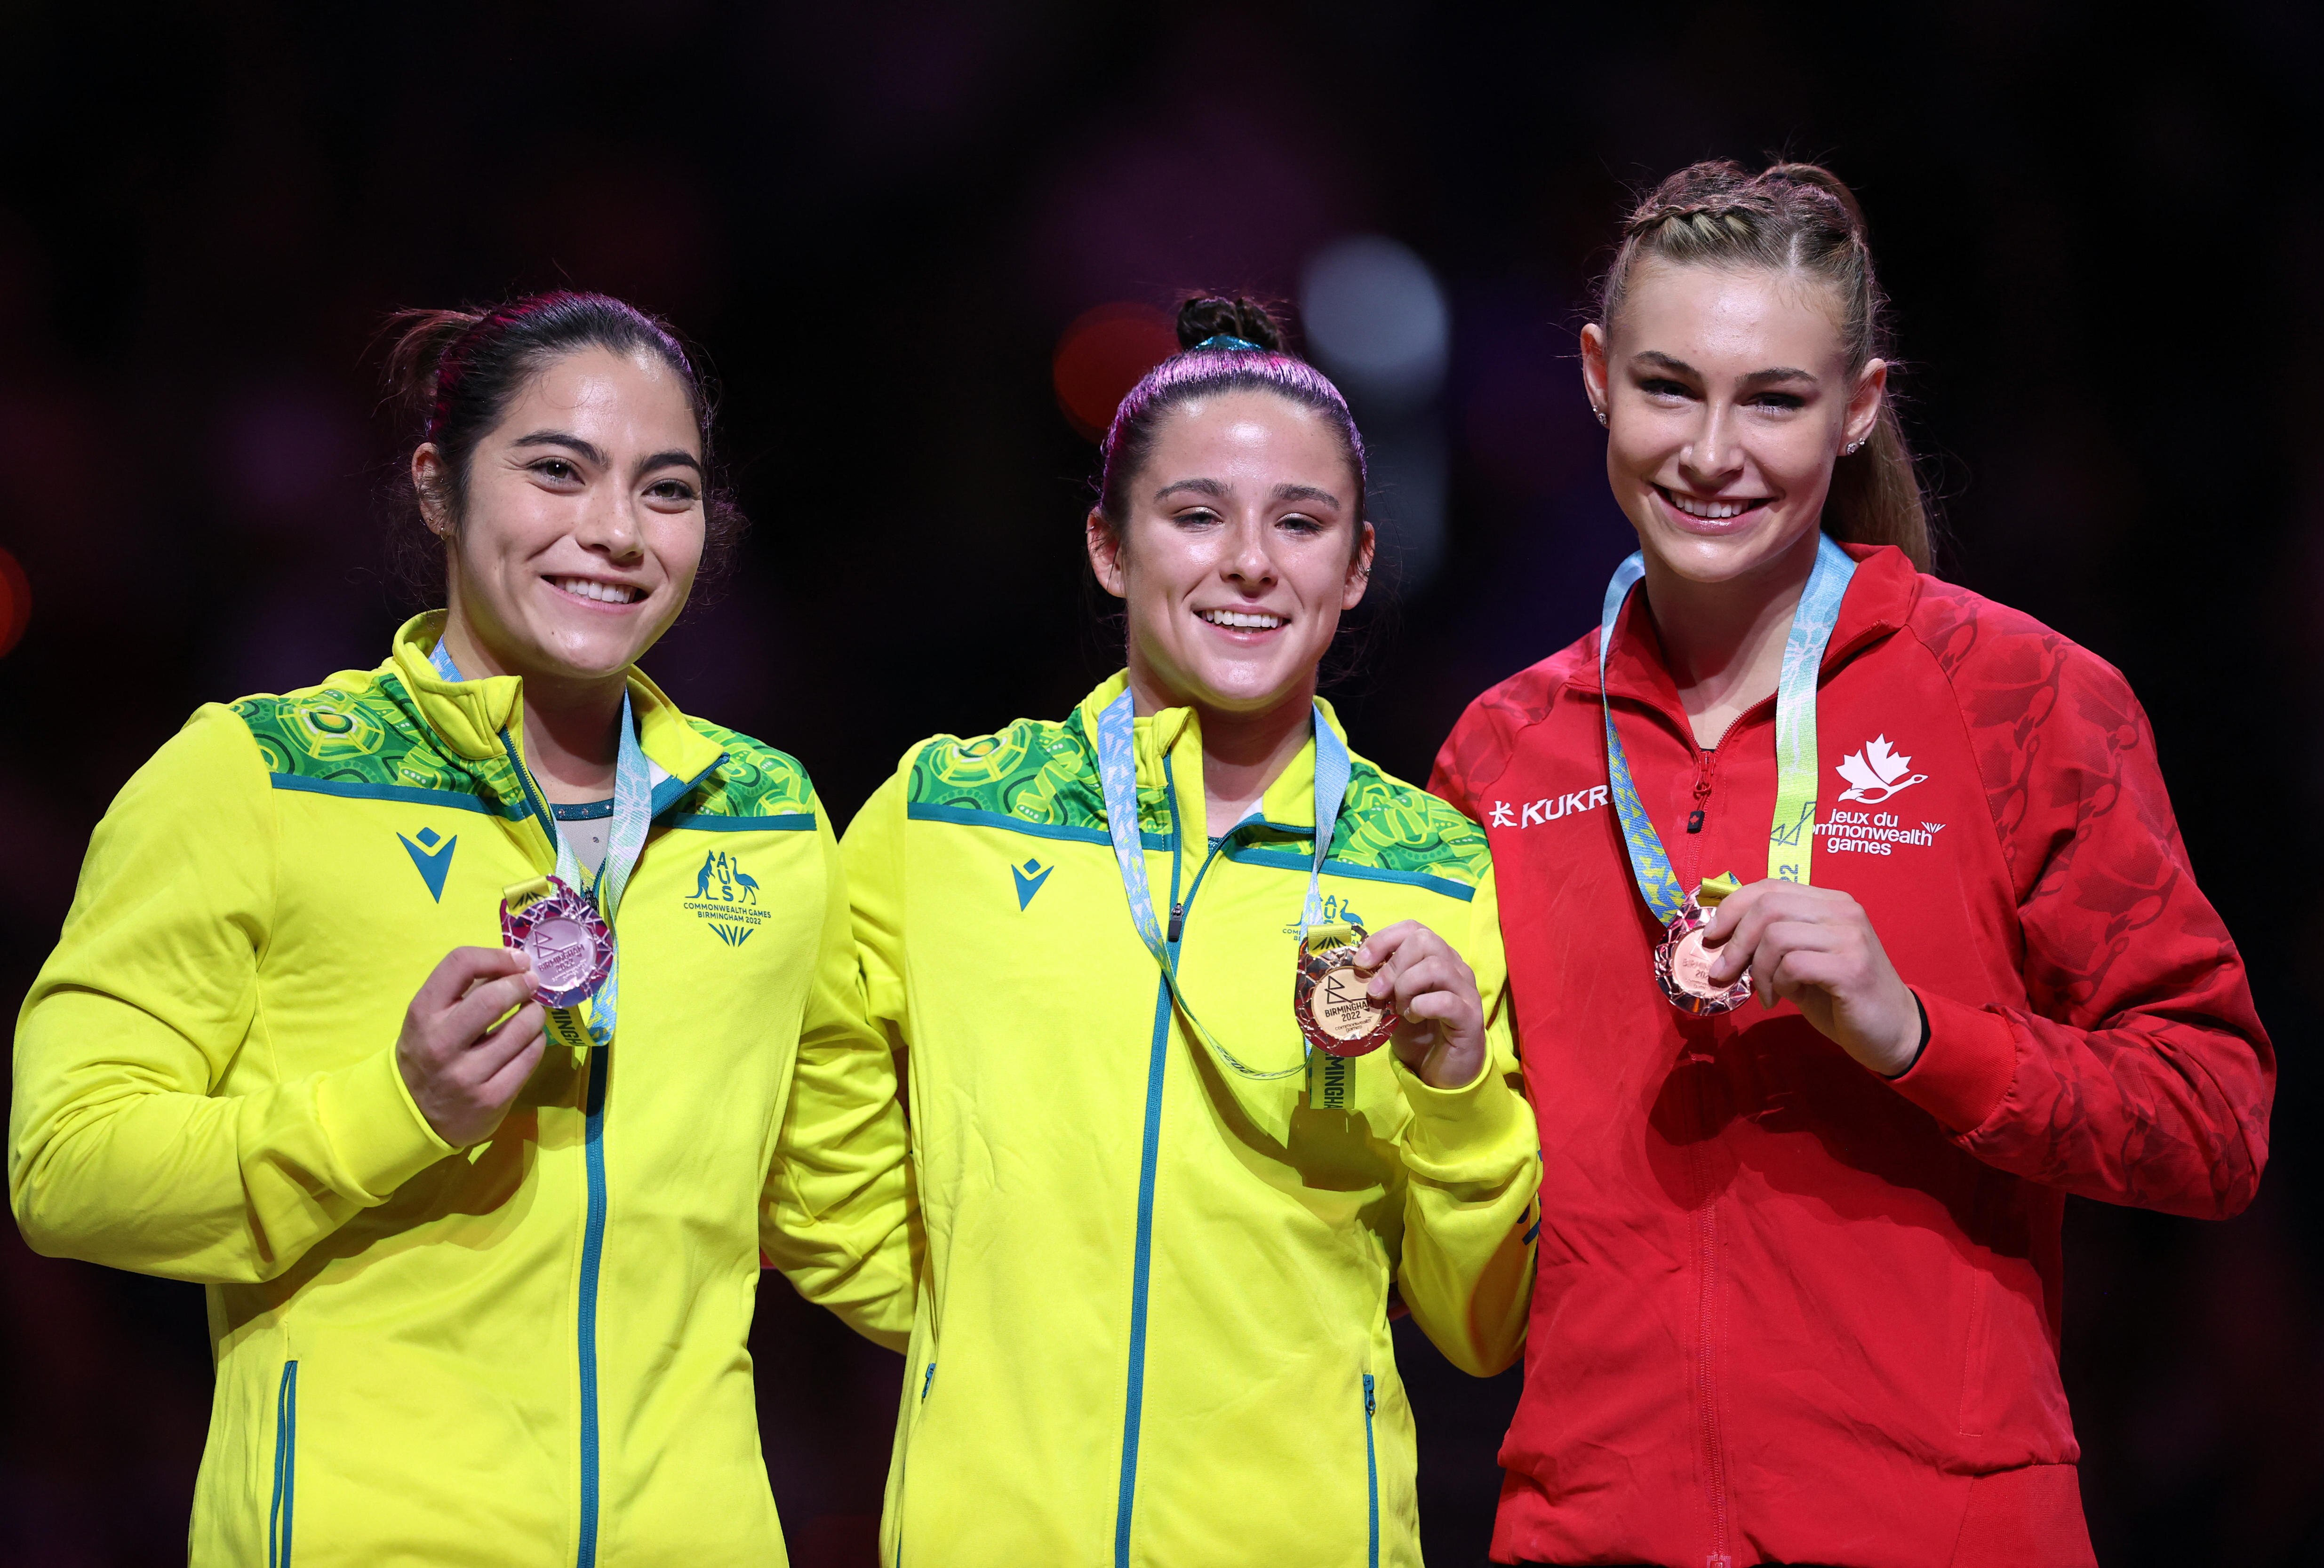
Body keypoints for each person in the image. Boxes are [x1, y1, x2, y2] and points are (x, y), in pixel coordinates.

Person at [1431, 160, 2273, 1568]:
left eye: (1774, 399)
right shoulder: (1501, 749)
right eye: (1665, 388)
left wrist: (1920, 1037)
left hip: (1940, 1533)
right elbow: (1469, 1215)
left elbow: (2217, 1120)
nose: (1713, 452)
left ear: (1860, 407)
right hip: (1590, 1536)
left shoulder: (2020, 698)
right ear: (1591, 379)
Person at [10, 291, 913, 1566]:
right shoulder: (254, 779)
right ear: (437, 487)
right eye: (557, 472)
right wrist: (394, 1111)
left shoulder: (765, 816)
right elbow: (67, 1167)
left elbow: (832, 1194)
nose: (613, 533)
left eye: (667, 491)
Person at [846, 296, 1541, 1568]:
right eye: (1196, 515)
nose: (1251, 563)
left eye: (1300, 522)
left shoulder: (1438, 870)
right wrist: (971, 1318)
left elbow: (1484, 1322)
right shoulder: (948, 815)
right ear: (1110, 547)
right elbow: (812, 1121)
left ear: (1360, 563)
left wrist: (1457, 1096)